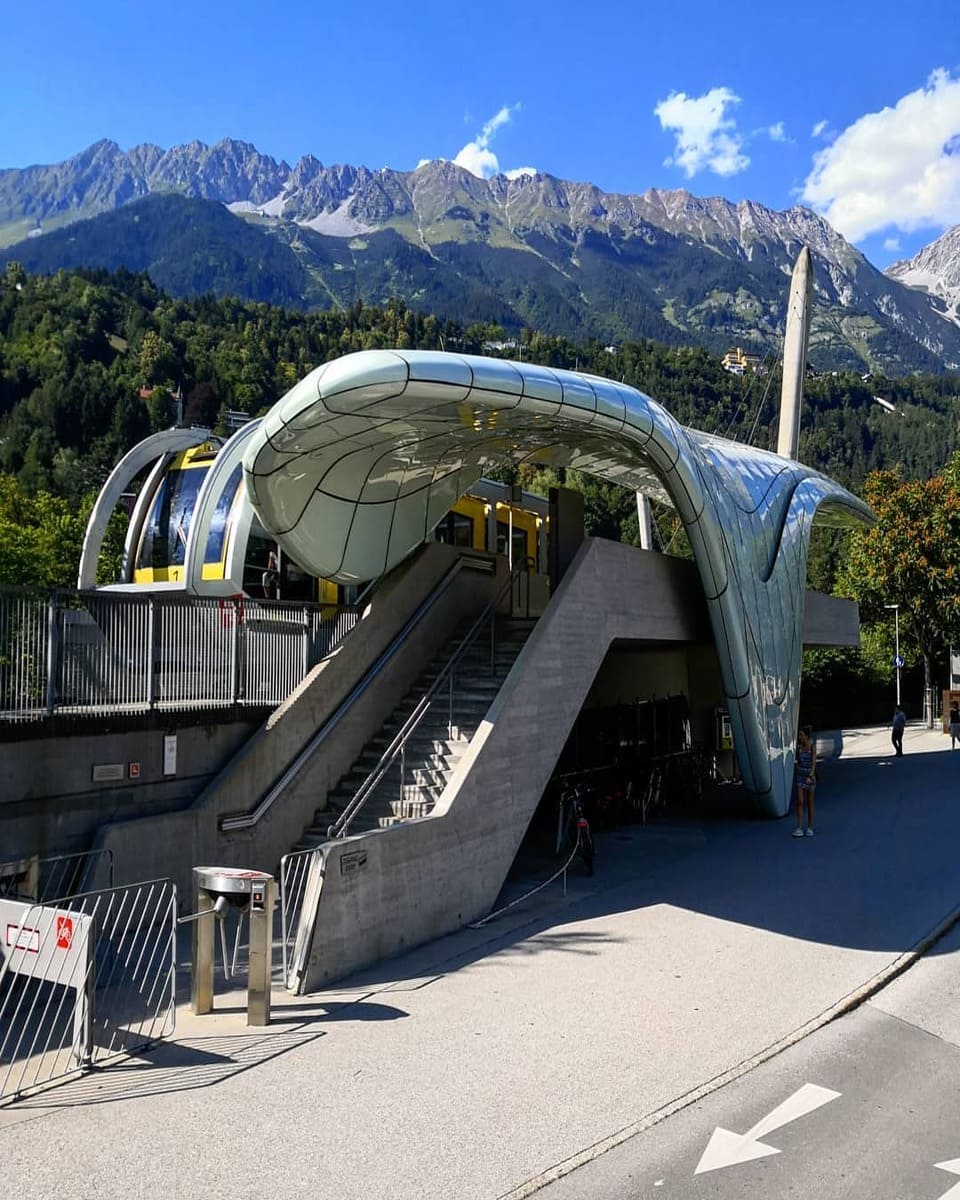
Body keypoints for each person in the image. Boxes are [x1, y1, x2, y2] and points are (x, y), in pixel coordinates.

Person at [793, 726, 817, 838]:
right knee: (800, 801)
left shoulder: (812, 747)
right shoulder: (798, 747)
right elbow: (796, 761)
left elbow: (813, 763)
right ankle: (799, 827)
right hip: (800, 776)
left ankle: (810, 827)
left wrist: (810, 775)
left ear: (806, 736)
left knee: (810, 802)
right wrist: (798, 768)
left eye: (801, 735)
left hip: (809, 777)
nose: (799, 737)